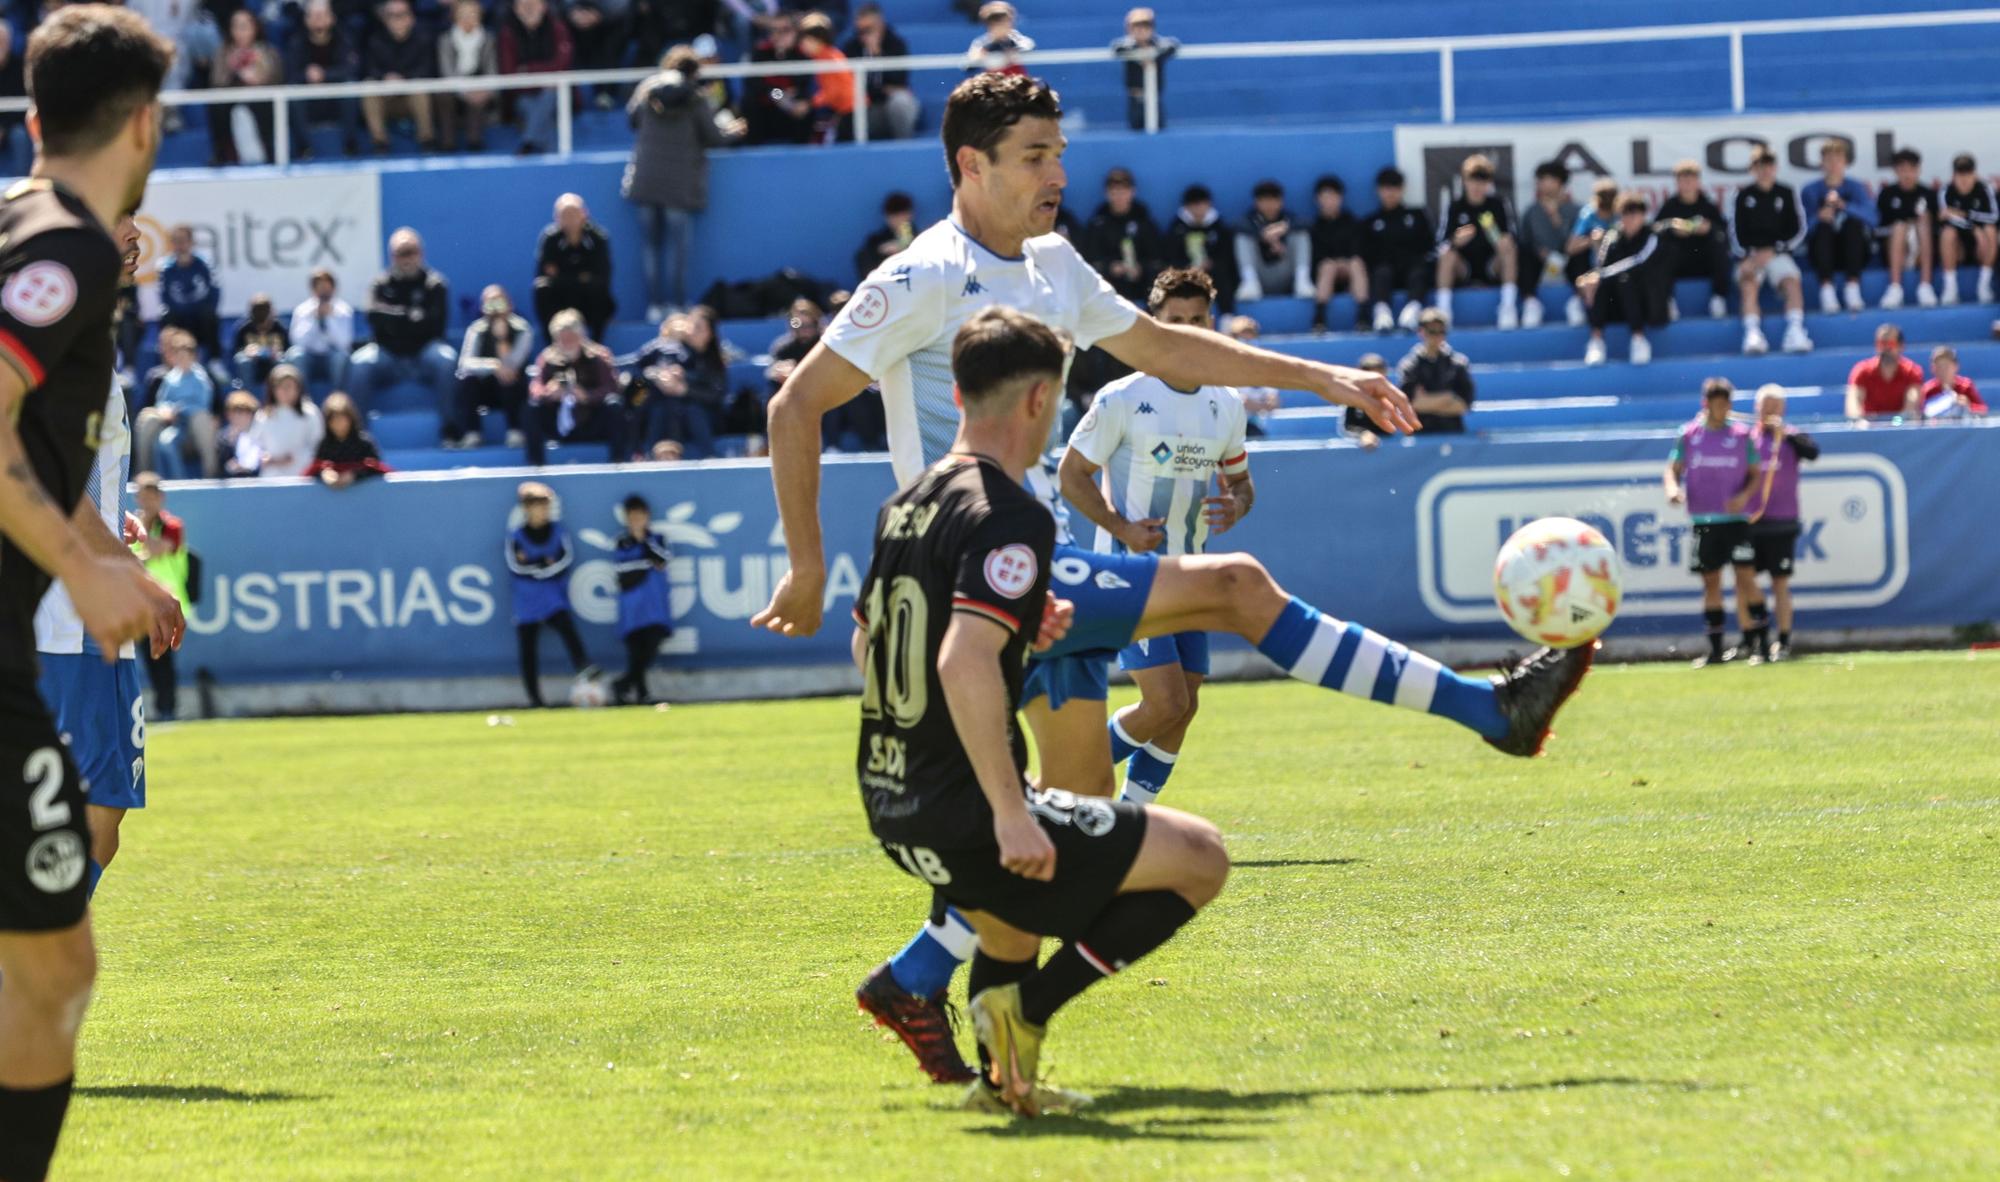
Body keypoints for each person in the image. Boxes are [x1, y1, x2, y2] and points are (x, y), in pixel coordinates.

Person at [754, 73, 1594, 1084]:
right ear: (968, 166)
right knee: (1231, 593)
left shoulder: (1053, 264)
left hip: (1039, 576)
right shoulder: (923, 277)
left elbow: (1158, 344)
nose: (1057, 173)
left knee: (1064, 825)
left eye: (1058, 152)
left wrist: (1322, 376)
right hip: (975, 584)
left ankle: (922, 983)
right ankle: (1488, 711)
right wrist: (805, 565)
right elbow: (793, 406)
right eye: (1034, 156)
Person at [850, 306, 1229, 1117]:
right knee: (1200, 857)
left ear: (958, 393)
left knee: (1011, 926)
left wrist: (1019, 636)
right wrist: (1008, 812)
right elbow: (959, 658)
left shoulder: (908, 502)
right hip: (966, 814)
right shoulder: (1012, 511)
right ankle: (1030, 1008)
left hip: (890, 801)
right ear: (1038, 402)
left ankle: (1007, 1087)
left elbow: (871, 648)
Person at [0, 11, 177, 1178]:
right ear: (148, 125)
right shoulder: (59, 248)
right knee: (52, 965)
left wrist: (100, 553)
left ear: (33, 120)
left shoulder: (42, 232)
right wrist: (83, 569)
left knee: (54, 964)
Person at [1057, 268, 1250, 805]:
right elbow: (1071, 475)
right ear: (1155, 326)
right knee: (1164, 703)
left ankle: (1128, 817)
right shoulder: (1121, 397)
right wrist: (1120, 528)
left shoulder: (1227, 402)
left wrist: (1234, 505)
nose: (1188, 331)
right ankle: (1055, 788)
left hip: (1191, 576)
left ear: (1211, 324)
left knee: (1184, 705)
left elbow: (1242, 483)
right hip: (1131, 575)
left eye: (1197, 321)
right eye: (1175, 323)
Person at [33, 210, 176, 916]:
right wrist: (132, 577)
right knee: (90, 816)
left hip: (79, 608)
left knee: (99, 817)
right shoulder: (61, 337)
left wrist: (110, 515)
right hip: (69, 616)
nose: (132, 232)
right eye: (113, 219)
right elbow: (49, 475)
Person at [625, 45, 746, 322]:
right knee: (677, 250)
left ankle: (655, 307)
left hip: (645, 180)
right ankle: (678, 305)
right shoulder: (696, 97)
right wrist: (734, 131)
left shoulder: (646, 89)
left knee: (651, 247)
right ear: (693, 71)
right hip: (680, 186)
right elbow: (714, 137)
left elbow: (632, 120)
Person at [1663, 378, 1766, 667]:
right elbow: (1672, 469)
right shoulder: (1689, 434)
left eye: (1726, 404)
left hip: (1735, 520)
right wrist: (1673, 489)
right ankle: (1716, 649)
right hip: (1704, 519)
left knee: (1746, 577)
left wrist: (1744, 495)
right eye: (1717, 404)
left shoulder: (1742, 436)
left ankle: (1761, 644)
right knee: (1711, 582)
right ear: (1706, 404)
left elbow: (1756, 474)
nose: (1722, 410)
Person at [350, 228, 457, 433]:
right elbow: (372, 315)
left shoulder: (435, 284)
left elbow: (435, 325)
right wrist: (411, 317)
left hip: (424, 353)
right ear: (392, 256)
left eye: (412, 251)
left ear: (421, 253)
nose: (407, 258)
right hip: (388, 355)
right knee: (360, 363)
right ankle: (357, 434)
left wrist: (393, 320)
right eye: (402, 253)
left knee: (446, 360)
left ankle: (451, 429)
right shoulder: (380, 284)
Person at [1743, 384, 1819, 664]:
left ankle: (1783, 642)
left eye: (1776, 406)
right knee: (1745, 581)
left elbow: (1813, 452)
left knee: (1780, 583)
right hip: (1750, 523)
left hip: (1782, 523)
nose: (1770, 411)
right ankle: (1752, 639)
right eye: (1766, 406)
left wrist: (1785, 433)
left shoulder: (1791, 438)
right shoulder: (1746, 438)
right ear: (1756, 409)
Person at [505, 481, 594, 708]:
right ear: (527, 508)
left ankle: (584, 665)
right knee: (528, 648)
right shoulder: (516, 535)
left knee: (565, 625)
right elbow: (515, 566)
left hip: (552, 595)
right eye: (538, 505)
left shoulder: (558, 530)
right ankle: (535, 698)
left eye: (546, 505)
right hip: (525, 599)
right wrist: (541, 565)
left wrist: (540, 568)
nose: (543, 510)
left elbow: (565, 560)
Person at [1732, 146, 1811, 355]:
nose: (1765, 171)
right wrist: (1749, 256)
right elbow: (1734, 234)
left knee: (1792, 282)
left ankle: (1795, 331)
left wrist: (1776, 250)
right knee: (1748, 282)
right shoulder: (1742, 196)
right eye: (1759, 167)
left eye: (1768, 166)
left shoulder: (1786, 193)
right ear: (1752, 169)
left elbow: (1799, 230)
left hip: (1779, 254)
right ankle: (1753, 333)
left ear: (1775, 168)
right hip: (1752, 256)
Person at [1576, 190, 1666, 367]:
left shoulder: (1652, 236)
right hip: (1617, 304)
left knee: (1622, 281)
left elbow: (1639, 261)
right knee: (1598, 284)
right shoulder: (1612, 237)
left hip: (1648, 302)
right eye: (1625, 214)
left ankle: (1638, 339)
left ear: (1643, 216)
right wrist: (1592, 279)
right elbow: (1601, 267)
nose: (1630, 219)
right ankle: (1596, 341)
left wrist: (1598, 276)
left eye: (1635, 214)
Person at [523, 308, 623, 465]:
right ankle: (535, 462)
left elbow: (612, 388)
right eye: (562, 338)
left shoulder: (598, 356)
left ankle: (618, 459)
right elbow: (535, 388)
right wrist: (550, 393)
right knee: (532, 407)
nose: (567, 342)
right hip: (559, 422)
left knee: (614, 405)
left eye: (572, 337)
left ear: (581, 336)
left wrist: (586, 396)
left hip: (591, 421)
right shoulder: (547, 358)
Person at [1433, 154, 1520, 330]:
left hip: (1492, 266)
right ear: (1464, 181)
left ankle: (1508, 308)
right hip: (1463, 269)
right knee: (1447, 254)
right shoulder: (1455, 206)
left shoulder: (1499, 204)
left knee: (1509, 250)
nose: (1477, 186)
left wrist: (1502, 240)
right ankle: (1443, 312)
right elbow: (1440, 243)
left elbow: (1512, 236)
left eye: (1482, 181)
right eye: (1473, 180)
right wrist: (1456, 241)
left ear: (1489, 184)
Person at [130, 474, 188, 722]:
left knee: (162, 658)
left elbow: (154, 551)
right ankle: (148, 709)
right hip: (137, 605)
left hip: (165, 602)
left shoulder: (171, 526)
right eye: (143, 496)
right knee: (141, 658)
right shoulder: (134, 525)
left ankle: (168, 708)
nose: (147, 502)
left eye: (152, 497)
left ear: (160, 498)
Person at [637, 307, 727, 458]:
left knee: (692, 409)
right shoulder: (674, 351)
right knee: (657, 406)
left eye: (698, 328)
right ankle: (646, 454)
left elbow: (716, 395)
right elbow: (639, 369)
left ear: (710, 334)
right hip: (670, 412)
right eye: (690, 326)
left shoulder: (714, 361)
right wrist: (658, 376)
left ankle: (710, 456)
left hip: (706, 417)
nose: (691, 331)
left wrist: (685, 390)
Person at [454, 285, 535, 449]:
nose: (496, 310)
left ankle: (515, 431)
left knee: (509, 376)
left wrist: (501, 340)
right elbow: (465, 363)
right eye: (490, 304)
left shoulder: (523, 329)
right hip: (485, 389)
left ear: (509, 304)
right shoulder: (476, 329)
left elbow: (514, 363)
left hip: (512, 390)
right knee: (467, 379)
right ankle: (472, 433)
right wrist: (493, 365)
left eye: (499, 303)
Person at [1800, 140, 1876, 314]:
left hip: (1854, 252)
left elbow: (1873, 219)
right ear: (1822, 163)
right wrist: (1818, 217)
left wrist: (1845, 206)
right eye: (1829, 160)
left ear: (1846, 162)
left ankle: (1853, 288)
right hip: (1822, 254)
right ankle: (1827, 290)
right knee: (1823, 228)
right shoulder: (1810, 191)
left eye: (1838, 160)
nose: (1833, 165)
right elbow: (1801, 231)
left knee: (1853, 225)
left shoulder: (1857, 187)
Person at [610, 493, 672, 704]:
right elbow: (622, 570)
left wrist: (644, 543)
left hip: (654, 605)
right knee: (635, 651)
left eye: (640, 516)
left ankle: (623, 684)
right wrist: (646, 563)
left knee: (651, 646)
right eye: (632, 516)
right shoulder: (621, 542)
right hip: (632, 607)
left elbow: (663, 560)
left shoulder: (656, 539)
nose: (636, 521)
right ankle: (641, 694)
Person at [133, 328, 219, 479]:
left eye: (186, 356)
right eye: (179, 356)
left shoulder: (202, 379)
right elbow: (161, 402)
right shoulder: (170, 379)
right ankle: (146, 474)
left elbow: (203, 405)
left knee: (201, 419)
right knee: (162, 438)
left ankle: (211, 472)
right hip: (175, 426)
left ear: (194, 357)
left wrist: (179, 410)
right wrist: (166, 411)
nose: (183, 360)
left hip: (193, 428)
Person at [1654, 159, 1733, 320]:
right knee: (1664, 250)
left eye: (1691, 180)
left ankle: (1718, 298)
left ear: (1698, 182)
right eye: (1683, 180)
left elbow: (1723, 231)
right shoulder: (1670, 206)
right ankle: (1668, 301)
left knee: (1719, 243)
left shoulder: (1708, 205)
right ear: (1677, 183)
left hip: (1704, 262)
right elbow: (1655, 230)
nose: (1688, 184)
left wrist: (1709, 228)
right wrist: (1672, 229)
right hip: (1678, 263)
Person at [532, 194, 616, 341]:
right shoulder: (550, 239)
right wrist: (581, 277)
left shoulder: (598, 238)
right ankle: (551, 344)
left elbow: (603, 277)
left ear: (584, 214)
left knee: (598, 290)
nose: (570, 219)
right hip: (561, 300)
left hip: (588, 301)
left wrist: (562, 276)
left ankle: (597, 342)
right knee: (542, 288)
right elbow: (543, 276)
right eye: (564, 215)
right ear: (556, 217)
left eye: (574, 213)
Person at [284, 0, 360, 159]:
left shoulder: (344, 39)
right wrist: (307, 75)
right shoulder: (296, 42)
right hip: (310, 101)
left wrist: (324, 74)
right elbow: (291, 74)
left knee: (351, 87)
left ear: (332, 17)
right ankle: (304, 149)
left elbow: (351, 69)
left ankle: (350, 145)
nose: (318, 19)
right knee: (293, 93)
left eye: (322, 14)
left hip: (336, 99)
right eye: (314, 15)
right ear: (306, 19)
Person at [1362, 166, 1435, 332]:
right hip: (1384, 273)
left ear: (1402, 189)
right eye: (1386, 188)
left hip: (1412, 270)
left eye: (1395, 187)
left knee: (1419, 272)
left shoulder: (1417, 215)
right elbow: (1366, 254)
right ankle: (1382, 313)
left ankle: (1412, 311)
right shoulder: (1370, 221)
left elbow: (1429, 247)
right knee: (1381, 272)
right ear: (1378, 190)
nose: (1390, 193)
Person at [206, 9, 280, 166]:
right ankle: (221, 153)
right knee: (217, 107)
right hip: (232, 96)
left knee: (265, 106)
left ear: (255, 28)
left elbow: (276, 78)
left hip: (260, 98)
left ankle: (271, 152)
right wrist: (233, 70)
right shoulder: (223, 52)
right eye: (236, 27)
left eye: (244, 26)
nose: (240, 32)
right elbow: (216, 81)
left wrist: (258, 75)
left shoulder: (267, 51)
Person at [360, 0, 436, 153]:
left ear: (411, 18)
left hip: (411, 98)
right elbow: (369, 69)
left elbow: (427, 69)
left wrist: (404, 80)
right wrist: (385, 78)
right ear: (385, 19)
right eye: (392, 16)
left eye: (401, 15)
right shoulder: (375, 40)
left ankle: (427, 141)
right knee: (368, 86)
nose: (397, 20)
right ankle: (380, 143)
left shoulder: (423, 39)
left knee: (419, 86)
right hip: (386, 98)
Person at [1079, 167, 1163, 305]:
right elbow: (1089, 258)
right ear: (1107, 194)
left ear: (1132, 192)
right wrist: (1110, 267)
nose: (1119, 196)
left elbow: (1156, 257)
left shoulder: (1143, 220)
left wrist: (1140, 268)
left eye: (1123, 191)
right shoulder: (1098, 222)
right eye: (1114, 192)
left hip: (1140, 288)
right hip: (1109, 290)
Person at [499, 0, 572, 156]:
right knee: (535, 105)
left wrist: (528, 71)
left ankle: (528, 142)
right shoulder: (508, 33)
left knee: (549, 95)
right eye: (524, 6)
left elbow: (562, 64)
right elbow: (509, 72)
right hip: (522, 95)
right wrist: (543, 78)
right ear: (515, 9)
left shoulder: (557, 28)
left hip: (554, 93)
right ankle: (552, 157)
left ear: (543, 6)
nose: (529, 9)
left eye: (532, 4)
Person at [1515, 160, 1577, 331]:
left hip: (1568, 263)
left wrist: (1556, 217)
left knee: (1581, 254)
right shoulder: (1531, 211)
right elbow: (1524, 241)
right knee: (1523, 254)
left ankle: (1578, 302)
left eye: (1545, 179)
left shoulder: (1576, 210)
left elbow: (1574, 240)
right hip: (1541, 266)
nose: (1540, 184)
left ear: (1558, 182)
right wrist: (1539, 251)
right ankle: (1531, 302)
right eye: (1539, 179)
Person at [843, 2, 920, 141]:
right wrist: (881, 89)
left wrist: (878, 55)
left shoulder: (895, 44)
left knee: (900, 102)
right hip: (869, 107)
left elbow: (899, 81)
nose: (863, 35)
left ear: (880, 25)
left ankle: (904, 147)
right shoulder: (851, 47)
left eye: (868, 29)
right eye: (860, 30)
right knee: (849, 112)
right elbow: (849, 84)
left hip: (890, 106)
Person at [1162, 183, 1239, 315]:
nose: (1198, 210)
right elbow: (1170, 255)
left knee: (1222, 275)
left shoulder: (1219, 227)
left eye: (1202, 204)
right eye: (1194, 205)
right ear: (1186, 207)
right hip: (1184, 274)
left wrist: (1211, 263)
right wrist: (1188, 266)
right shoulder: (1176, 228)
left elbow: (1227, 255)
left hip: (1213, 273)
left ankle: (1227, 316)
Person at [1876, 148, 1937, 310]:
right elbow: (1879, 229)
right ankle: (1895, 287)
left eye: (1912, 169)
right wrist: (1905, 224)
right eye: (1902, 170)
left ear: (1919, 170)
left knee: (1924, 224)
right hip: (1896, 250)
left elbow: (1936, 228)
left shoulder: (1928, 194)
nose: (1907, 174)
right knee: (1899, 226)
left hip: (1920, 250)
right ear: (1895, 171)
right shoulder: (1887, 194)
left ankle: (1925, 286)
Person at [1307, 175, 1369, 333]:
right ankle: (1319, 318)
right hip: (1326, 273)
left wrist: (1344, 262)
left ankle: (1363, 316)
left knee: (1356, 263)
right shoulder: (1314, 226)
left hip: (1349, 270)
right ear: (1318, 199)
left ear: (1340, 198)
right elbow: (1317, 257)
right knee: (1327, 266)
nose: (1329, 201)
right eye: (1325, 197)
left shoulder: (1353, 222)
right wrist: (1334, 263)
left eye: (1333, 196)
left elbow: (1358, 250)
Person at [1233, 179, 1311, 304]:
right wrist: (1262, 234)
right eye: (1264, 201)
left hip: (1285, 272)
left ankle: (1302, 280)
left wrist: (1285, 229)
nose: (1269, 205)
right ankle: (1249, 282)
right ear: (1256, 203)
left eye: (1273, 200)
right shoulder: (1249, 220)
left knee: (1301, 235)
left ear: (1280, 201)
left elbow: (1307, 224)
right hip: (1261, 274)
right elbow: (1236, 226)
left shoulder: (1289, 218)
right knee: (1242, 238)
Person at [435, 0, 498, 153]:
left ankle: (474, 141)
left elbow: (492, 70)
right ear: (455, 17)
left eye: (472, 14)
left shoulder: (488, 39)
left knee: (478, 97)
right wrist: (464, 91)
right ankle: (447, 142)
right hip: (454, 86)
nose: (468, 19)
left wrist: (486, 89)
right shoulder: (445, 39)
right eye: (463, 15)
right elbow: (447, 71)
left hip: (479, 84)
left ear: (480, 16)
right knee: (443, 95)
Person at [1396, 307, 1474, 431]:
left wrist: (1426, 402)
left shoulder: (1458, 363)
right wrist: (1447, 398)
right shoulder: (1410, 365)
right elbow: (1410, 404)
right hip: (1421, 434)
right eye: (1432, 331)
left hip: (1452, 431)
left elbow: (1464, 405)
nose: (1437, 336)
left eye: (1441, 331)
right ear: (1421, 332)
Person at [155, 222, 222, 366]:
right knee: (166, 317)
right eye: (176, 241)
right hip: (179, 318)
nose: (180, 245)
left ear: (191, 242)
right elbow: (164, 297)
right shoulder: (166, 268)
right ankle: (168, 363)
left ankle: (215, 361)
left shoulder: (203, 265)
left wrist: (201, 309)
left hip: (199, 318)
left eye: (183, 241)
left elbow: (214, 292)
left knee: (210, 315)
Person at [1937, 152, 1997, 305]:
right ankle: (1950, 288)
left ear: (1975, 174)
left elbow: (1994, 217)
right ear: (1953, 175)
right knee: (1948, 233)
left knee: (1990, 230)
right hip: (1959, 249)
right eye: (1960, 173)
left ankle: (1984, 286)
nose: (1964, 178)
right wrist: (1973, 228)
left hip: (1981, 248)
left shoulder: (1985, 188)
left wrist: (1965, 214)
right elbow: (1945, 217)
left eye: (1968, 173)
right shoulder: (1946, 190)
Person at [746, 12, 812, 147]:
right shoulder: (761, 52)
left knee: (805, 108)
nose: (779, 35)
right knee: (749, 103)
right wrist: (778, 94)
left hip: (793, 111)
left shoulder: (802, 53)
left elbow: (804, 86)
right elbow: (754, 85)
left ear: (795, 32)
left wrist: (784, 53)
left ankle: (804, 153)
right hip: (768, 110)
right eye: (774, 30)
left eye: (785, 30)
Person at [284, 268, 353, 396]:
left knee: (340, 357)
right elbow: (298, 342)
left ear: (333, 288)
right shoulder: (302, 310)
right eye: (320, 287)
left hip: (331, 358)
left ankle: (337, 399)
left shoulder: (343, 310)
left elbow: (344, 343)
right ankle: (303, 400)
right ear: (313, 289)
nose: (323, 292)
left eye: (327, 288)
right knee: (296, 355)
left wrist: (328, 320)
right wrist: (314, 320)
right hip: (310, 358)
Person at [249, 364, 325, 477]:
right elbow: (253, 445)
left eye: (289, 386)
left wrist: (296, 457)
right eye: (280, 387)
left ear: (298, 389)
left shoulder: (310, 412)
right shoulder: (263, 415)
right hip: (271, 478)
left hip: (302, 477)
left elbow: (318, 445)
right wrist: (265, 458)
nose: (284, 391)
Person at [1111, 6, 1177, 131]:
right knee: (1136, 130)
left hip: (1154, 97)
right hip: (1135, 98)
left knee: (1158, 129)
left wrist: (1152, 54)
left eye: (1146, 26)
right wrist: (1139, 55)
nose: (1141, 30)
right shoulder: (1127, 46)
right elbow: (1117, 48)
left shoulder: (1158, 45)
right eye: (1136, 26)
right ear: (1129, 29)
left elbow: (1172, 46)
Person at [306, 392, 389, 487]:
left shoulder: (364, 443)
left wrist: (354, 475)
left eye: (342, 418)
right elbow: (314, 469)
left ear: (351, 419)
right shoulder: (324, 445)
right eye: (334, 419)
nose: (338, 423)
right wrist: (325, 474)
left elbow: (376, 468)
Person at [1564, 178, 1618, 323]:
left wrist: (1607, 239)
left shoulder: (1620, 215)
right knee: (1578, 257)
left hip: (1611, 265)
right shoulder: (1587, 215)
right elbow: (1570, 248)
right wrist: (1591, 240)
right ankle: (1579, 299)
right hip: (1588, 264)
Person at [796, 14, 855, 145]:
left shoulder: (829, 59)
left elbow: (833, 91)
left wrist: (810, 104)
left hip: (851, 112)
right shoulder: (824, 57)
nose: (801, 45)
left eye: (805, 40)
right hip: (843, 111)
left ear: (817, 40)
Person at [1845, 322, 1923, 420]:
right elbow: (1853, 406)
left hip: (1901, 430)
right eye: (1881, 344)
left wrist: (1895, 425)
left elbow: (1910, 408)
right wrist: (1861, 423)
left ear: (1901, 346)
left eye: (1890, 344)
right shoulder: (1862, 370)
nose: (1885, 348)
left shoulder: (1912, 372)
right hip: (1869, 430)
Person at [230, 292, 290, 390]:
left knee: (282, 362)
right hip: (253, 364)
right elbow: (235, 352)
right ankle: (248, 394)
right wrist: (246, 351)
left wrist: (277, 352)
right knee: (243, 360)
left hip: (273, 362)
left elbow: (288, 350)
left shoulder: (280, 328)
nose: (263, 326)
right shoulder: (244, 329)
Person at [855, 191, 918, 282]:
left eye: (903, 214)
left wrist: (904, 247)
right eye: (895, 215)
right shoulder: (876, 240)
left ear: (910, 214)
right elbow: (864, 262)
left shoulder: (921, 237)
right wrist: (881, 251)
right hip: (887, 284)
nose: (899, 219)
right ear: (887, 217)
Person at [1921, 344, 1988, 419]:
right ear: (1932, 369)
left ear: (1956, 366)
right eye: (1939, 366)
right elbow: (1920, 413)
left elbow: (1983, 409)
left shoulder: (1965, 386)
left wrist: (1968, 405)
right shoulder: (1927, 389)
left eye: (1946, 366)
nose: (1943, 371)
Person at [966, 1, 1033, 75]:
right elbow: (969, 66)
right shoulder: (981, 43)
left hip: (1017, 81)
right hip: (993, 81)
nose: (1001, 27)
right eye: (996, 23)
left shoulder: (1016, 39)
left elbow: (1028, 46)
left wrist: (1012, 53)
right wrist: (981, 57)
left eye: (1005, 22)